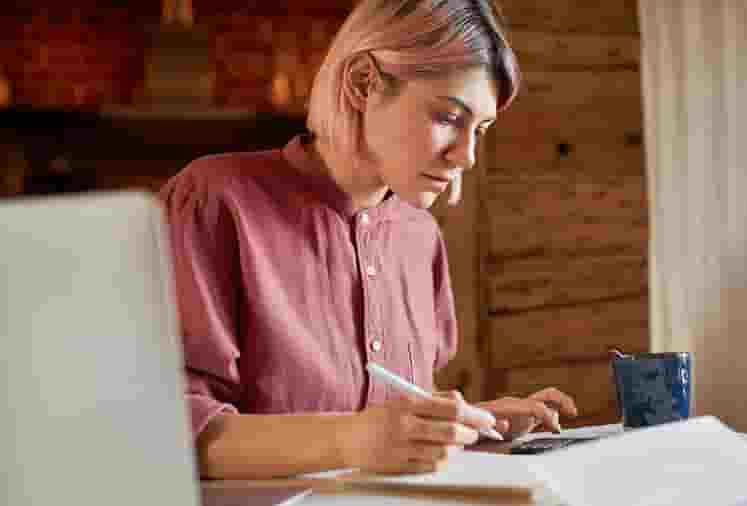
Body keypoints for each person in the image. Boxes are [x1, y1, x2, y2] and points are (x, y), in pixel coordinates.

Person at [159, 0, 578, 480]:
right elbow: (167, 429)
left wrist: (473, 424)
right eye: (447, 117)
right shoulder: (215, 200)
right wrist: (352, 439)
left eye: (479, 129)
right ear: (362, 83)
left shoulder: (420, 237)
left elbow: (375, 432)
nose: (466, 156)